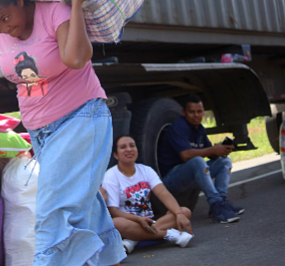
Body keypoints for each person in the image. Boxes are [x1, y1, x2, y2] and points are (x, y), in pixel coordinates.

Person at [0, 0, 126, 266]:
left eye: (5, 17)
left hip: (80, 120)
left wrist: (76, 4)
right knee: (89, 211)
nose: (3, 27)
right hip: (43, 133)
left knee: (51, 214)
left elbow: (76, 58)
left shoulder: (54, 12)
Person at [157, 95, 243, 224]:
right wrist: (212, 150)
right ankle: (216, 204)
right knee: (197, 161)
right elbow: (185, 155)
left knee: (224, 161)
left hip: (191, 177)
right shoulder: (179, 127)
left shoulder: (199, 129)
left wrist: (220, 149)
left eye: (199, 111)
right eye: (192, 112)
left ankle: (221, 203)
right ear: (184, 112)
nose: (196, 115)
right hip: (171, 180)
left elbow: (210, 153)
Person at [102, 136, 193, 254]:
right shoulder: (111, 175)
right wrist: (138, 219)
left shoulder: (146, 170)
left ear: (137, 150)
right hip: (130, 223)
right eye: (123, 147)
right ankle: (168, 234)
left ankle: (133, 239)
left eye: (132, 146)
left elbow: (163, 193)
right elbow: (113, 211)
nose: (129, 149)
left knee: (185, 211)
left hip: (150, 222)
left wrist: (179, 213)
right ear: (116, 155)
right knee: (116, 223)